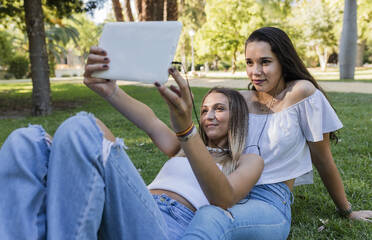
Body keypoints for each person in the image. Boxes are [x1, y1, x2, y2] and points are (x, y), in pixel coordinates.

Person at [0, 49, 263, 240]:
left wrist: (187, 129)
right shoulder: (182, 146)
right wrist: (109, 89)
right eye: (204, 110)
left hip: (167, 226)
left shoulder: (248, 160)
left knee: (82, 128)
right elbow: (147, 118)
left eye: (219, 109)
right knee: (24, 142)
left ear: (237, 115)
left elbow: (224, 197)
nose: (208, 115)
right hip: (130, 209)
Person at [180, 27, 372, 239]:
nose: (255, 71)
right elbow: (205, 146)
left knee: (212, 218)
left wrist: (346, 210)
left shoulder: (301, 93)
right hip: (226, 188)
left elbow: (323, 159)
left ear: (283, 61)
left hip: (269, 199)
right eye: (249, 62)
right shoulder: (240, 100)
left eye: (265, 62)